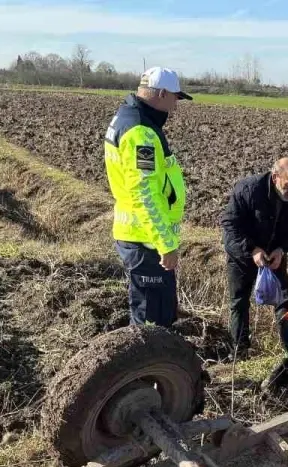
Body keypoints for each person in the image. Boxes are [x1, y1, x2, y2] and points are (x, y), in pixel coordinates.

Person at [104, 67, 191, 326]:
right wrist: (165, 244)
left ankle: (153, 363)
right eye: (175, 98)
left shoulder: (128, 118)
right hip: (146, 240)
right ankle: (150, 367)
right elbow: (145, 194)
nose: (175, 106)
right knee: (152, 321)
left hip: (141, 236)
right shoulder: (141, 132)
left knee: (154, 314)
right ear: (162, 93)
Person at [221, 158, 288, 354]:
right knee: (239, 302)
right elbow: (229, 224)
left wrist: (281, 250)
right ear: (275, 177)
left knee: (285, 301)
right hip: (242, 255)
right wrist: (252, 249)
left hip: (272, 256)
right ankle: (239, 352)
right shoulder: (249, 190)